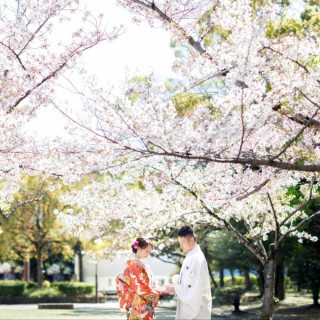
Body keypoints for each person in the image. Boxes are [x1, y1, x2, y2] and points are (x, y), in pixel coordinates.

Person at [165, 226, 212, 320]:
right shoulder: (192, 255)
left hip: (197, 309)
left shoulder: (197, 258)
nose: (181, 246)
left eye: (182, 243)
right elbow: (189, 280)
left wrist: (175, 288)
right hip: (193, 305)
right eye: (179, 243)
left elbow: (193, 285)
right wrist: (177, 280)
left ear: (191, 240)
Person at [116, 236, 163, 320]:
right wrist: (158, 291)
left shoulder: (139, 264)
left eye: (149, 252)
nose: (148, 254)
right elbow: (140, 286)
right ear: (139, 249)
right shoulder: (134, 265)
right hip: (138, 304)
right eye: (147, 251)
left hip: (143, 302)